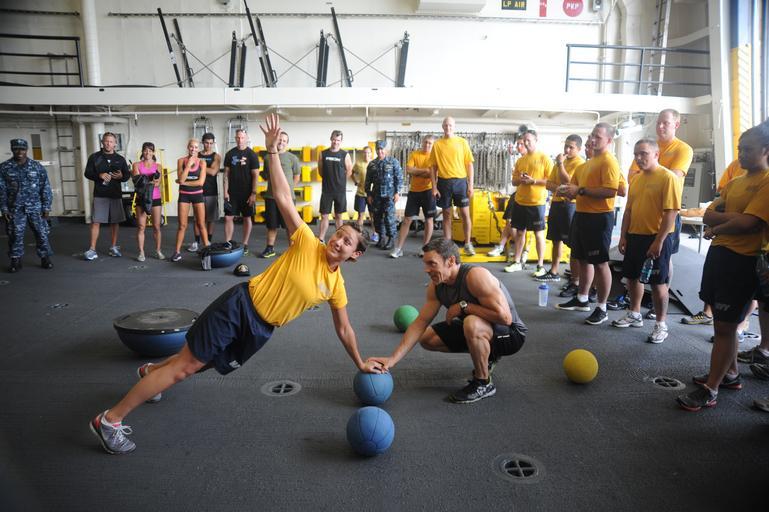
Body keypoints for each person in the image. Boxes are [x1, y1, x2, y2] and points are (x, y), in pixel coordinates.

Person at [89, 113, 380, 455]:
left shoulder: (336, 285)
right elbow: (284, 197)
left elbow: (344, 329)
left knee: (198, 363)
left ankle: (150, 371)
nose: (338, 241)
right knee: (187, 366)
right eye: (338, 234)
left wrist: (360, 362)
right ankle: (109, 420)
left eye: (347, 242)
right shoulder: (306, 242)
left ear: (355, 254)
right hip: (239, 307)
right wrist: (272, 152)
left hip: (259, 331)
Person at [676, 122, 769, 411]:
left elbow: (749, 223)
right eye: (740, 149)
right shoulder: (736, 182)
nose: (741, 154)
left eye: (748, 149)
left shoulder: (766, 182)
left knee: (726, 326)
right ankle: (730, 375)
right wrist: (730, 221)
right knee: (721, 321)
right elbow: (708, 214)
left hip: (742, 261)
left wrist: (720, 225)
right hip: (719, 256)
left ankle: (711, 389)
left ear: (766, 151)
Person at [368, 238, 526, 403]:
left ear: (450, 261)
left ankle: (483, 383)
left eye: (432, 264)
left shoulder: (475, 276)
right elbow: (420, 323)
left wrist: (464, 307)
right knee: (427, 338)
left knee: (471, 323)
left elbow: (505, 318)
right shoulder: (437, 286)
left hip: (510, 334)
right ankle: (487, 353)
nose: (426, 269)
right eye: (425, 264)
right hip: (480, 328)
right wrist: (392, 360)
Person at [611, 139, 682, 343]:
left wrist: (658, 241)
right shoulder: (636, 179)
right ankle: (634, 313)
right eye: (636, 154)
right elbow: (628, 211)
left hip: (656, 237)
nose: (639, 158)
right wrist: (623, 236)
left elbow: (671, 212)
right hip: (635, 236)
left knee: (658, 284)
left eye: (644, 153)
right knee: (632, 278)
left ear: (656, 155)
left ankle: (661, 324)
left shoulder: (668, 178)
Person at [556, 123, 620, 325]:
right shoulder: (585, 165)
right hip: (581, 215)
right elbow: (574, 190)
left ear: (608, 140)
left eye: (598, 137)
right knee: (582, 259)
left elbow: (611, 191)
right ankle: (582, 298)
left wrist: (580, 190)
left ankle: (602, 307)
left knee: (600, 263)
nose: (592, 139)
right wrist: (566, 191)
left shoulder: (609, 161)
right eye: (592, 135)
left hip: (599, 217)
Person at [536, 134, 585, 283]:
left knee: (572, 243)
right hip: (556, 204)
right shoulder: (559, 163)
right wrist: (560, 188)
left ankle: (575, 279)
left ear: (579, 149)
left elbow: (568, 182)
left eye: (571, 147)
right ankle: (554, 271)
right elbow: (548, 184)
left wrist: (560, 164)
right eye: (566, 146)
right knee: (555, 239)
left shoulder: (579, 163)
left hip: (570, 205)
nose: (567, 150)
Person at [0, 138, 54, 272]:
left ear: (27, 150)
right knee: (15, 235)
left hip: (36, 207)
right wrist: (4, 209)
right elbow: (1, 190)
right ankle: (15, 260)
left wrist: (46, 207)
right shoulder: (4, 168)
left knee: (41, 233)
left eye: (22, 149)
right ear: (12, 149)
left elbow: (45, 187)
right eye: (16, 149)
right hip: (15, 208)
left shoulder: (36, 167)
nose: (19, 152)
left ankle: (45, 258)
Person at [503, 130, 552, 276]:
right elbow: (514, 181)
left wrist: (534, 181)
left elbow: (551, 182)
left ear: (536, 140)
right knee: (519, 232)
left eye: (528, 140)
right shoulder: (521, 160)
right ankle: (517, 262)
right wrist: (521, 179)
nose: (525, 143)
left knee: (538, 234)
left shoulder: (544, 158)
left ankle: (540, 266)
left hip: (537, 203)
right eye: (524, 140)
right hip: (520, 201)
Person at [428, 117, 476, 255]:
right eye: (445, 125)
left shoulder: (462, 142)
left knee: (465, 214)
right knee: (447, 215)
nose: (448, 128)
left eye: (450, 125)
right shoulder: (437, 144)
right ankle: (448, 246)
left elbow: (469, 165)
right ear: (442, 127)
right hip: (444, 183)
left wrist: (471, 185)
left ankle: (467, 243)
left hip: (461, 182)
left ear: (454, 126)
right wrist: (434, 187)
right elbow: (433, 167)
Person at [83, 132, 131, 260]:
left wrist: (121, 176)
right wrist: (99, 175)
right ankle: (92, 249)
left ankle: (113, 247)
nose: (108, 144)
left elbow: (127, 175)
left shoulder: (120, 159)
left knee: (115, 221)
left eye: (111, 141)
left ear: (115, 143)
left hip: (115, 194)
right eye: (106, 141)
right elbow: (87, 173)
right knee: (96, 221)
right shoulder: (94, 157)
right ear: (102, 142)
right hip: (100, 194)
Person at [390, 135, 436, 258]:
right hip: (414, 191)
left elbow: (434, 174)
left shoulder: (434, 157)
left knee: (429, 220)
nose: (427, 145)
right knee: (407, 220)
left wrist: (418, 171)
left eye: (430, 143)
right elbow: (409, 170)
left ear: (433, 145)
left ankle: (425, 249)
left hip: (429, 191)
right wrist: (425, 171)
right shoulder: (415, 154)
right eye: (425, 142)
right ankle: (398, 249)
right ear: (422, 142)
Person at [259, 130, 300, 258]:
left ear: (287, 143)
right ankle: (269, 248)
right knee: (272, 225)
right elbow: (267, 175)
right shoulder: (267, 158)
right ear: (276, 141)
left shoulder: (293, 158)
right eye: (280, 140)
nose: (281, 142)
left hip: (288, 199)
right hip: (271, 197)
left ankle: (292, 250)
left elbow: (296, 176)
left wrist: (288, 190)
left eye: (284, 140)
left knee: (290, 226)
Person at [487, 135, 526, 259]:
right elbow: (514, 180)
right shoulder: (518, 159)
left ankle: (519, 250)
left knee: (515, 226)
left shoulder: (530, 160)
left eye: (521, 144)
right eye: (517, 144)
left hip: (525, 197)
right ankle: (502, 247)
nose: (519, 147)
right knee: (509, 223)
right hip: (515, 195)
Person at [170, 140, 209, 262]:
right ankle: (177, 252)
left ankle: (208, 251)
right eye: (191, 147)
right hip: (184, 195)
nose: (193, 149)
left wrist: (183, 182)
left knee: (201, 224)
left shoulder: (202, 162)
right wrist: (188, 166)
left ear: (198, 149)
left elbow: (200, 183)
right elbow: (181, 179)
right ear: (188, 147)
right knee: (182, 225)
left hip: (198, 195)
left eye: (196, 147)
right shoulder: (181, 161)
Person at [223, 129, 259, 255]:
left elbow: (255, 175)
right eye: (238, 137)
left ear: (246, 138)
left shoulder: (252, 155)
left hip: (247, 193)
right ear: (235, 138)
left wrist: (253, 193)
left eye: (242, 137)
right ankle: (228, 242)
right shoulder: (229, 154)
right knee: (228, 217)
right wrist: (225, 192)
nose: (240, 140)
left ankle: (245, 244)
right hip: (232, 192)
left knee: (247, 217)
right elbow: (226, 175)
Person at [365, 140, 402, 251]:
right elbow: (368, 181)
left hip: (389, 196)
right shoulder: (372, 164)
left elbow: (399, 178)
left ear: (386, 149)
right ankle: (381, 238)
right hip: (376, 195)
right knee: (377, 218)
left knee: (389, 218)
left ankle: (391, 239)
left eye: (382, 149)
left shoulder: (393, 162)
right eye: (378, 149)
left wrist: (397, 192)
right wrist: (368, 194)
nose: (380, 151)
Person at [188, 133, 221, 253]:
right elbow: (189, 168)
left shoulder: (216, 156)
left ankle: (209, 241)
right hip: (197, 190)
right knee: (197, 219)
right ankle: (196, 242)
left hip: (211, 190)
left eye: (211, 143)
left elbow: (213, 172)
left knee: (211, 218)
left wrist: (199, 165)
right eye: (206, 143)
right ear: (203, 143)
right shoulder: (196, 154)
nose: (209, 145)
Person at [130, 142, 164, 261]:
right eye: (145, 150)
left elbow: (157, 183)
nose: (147, 152)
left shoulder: (158, 166)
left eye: (150, 150)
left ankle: (158, 250)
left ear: (153, 152)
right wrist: (150, 180)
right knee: (141, 226)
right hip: (142, 198)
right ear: (142, 151)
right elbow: (138, 182)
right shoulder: (136, 165)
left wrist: (146, 180)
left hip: (155, 198)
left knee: (157, 226)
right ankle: (141, 252)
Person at [318, 130, 353, 242]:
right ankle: (321, 239)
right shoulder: (323, 153)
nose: (336, 142)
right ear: (331, 139)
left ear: (341, 141)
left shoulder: (345, 154)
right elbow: (320, 170)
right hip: (327, 190)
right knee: (324, 216)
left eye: (338, 140)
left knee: (339, 216)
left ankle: (339, 238)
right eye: (334, 139)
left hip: (339, 191)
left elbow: (349, 171)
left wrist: (340, 181)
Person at [351, 146, 374, 236]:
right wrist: (355, 181)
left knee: (373, 216)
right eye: (365, 152)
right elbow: (352, 172)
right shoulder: (358, 164)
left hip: (372, 195)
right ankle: (359, 235)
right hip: (360, 194)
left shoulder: (374, 164)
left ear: (371, 154)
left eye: (368, 153)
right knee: (360, 215)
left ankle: (375, 234)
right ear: (362, 154)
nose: (366, 154)